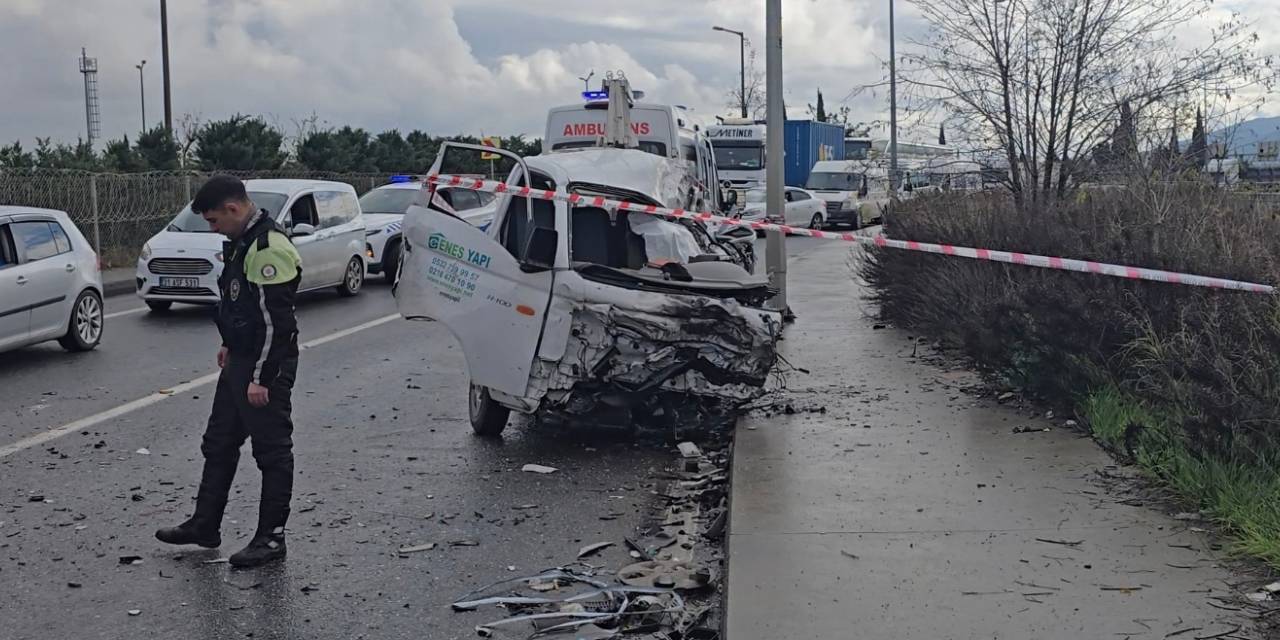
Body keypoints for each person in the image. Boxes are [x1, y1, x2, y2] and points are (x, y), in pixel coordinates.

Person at [155, 175, 302, 568]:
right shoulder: (241, 242)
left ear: (234, 209)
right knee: (219, 441)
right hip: (240, 359)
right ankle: (205, 525)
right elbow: (242, 306)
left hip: (263, 364)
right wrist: (228, 342)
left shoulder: (268, 248)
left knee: (272, 452)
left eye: (214, 220)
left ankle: (271, 539)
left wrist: (262, 378)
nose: (212, 228)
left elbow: (278, 325)